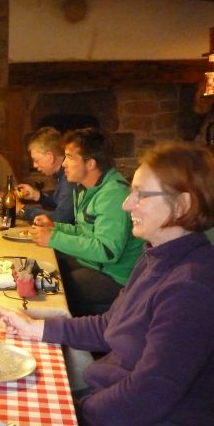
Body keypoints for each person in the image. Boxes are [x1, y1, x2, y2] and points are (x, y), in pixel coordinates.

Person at [0, 141, 214, 426]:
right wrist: (37, 328)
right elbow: (111, 325)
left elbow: (148, 393)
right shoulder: (158, 257)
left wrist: (76, 414)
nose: (127, 204)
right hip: (130, 422)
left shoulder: (194, 286)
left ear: (184, 204)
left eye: (140, 195)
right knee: (11, 421)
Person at [29, 128, 143, 316]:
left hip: (115, 277)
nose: (64, 164)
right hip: (92, 264)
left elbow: (107, 251)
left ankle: (60, 338)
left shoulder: (113, 194)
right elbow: (85, 231)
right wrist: (54, 226)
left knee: (51, 287)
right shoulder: (87, 189)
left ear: (90, 164)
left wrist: (54, 238)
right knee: (40, 267)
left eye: (70, 158)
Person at [16, 126, 77, 224]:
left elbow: (60, 219)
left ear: (49, 157)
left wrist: (22, 209)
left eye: (36, 160)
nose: (34, 165)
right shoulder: (61, 175)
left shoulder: (70, 177)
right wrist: (36, 195)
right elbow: (62, 201)